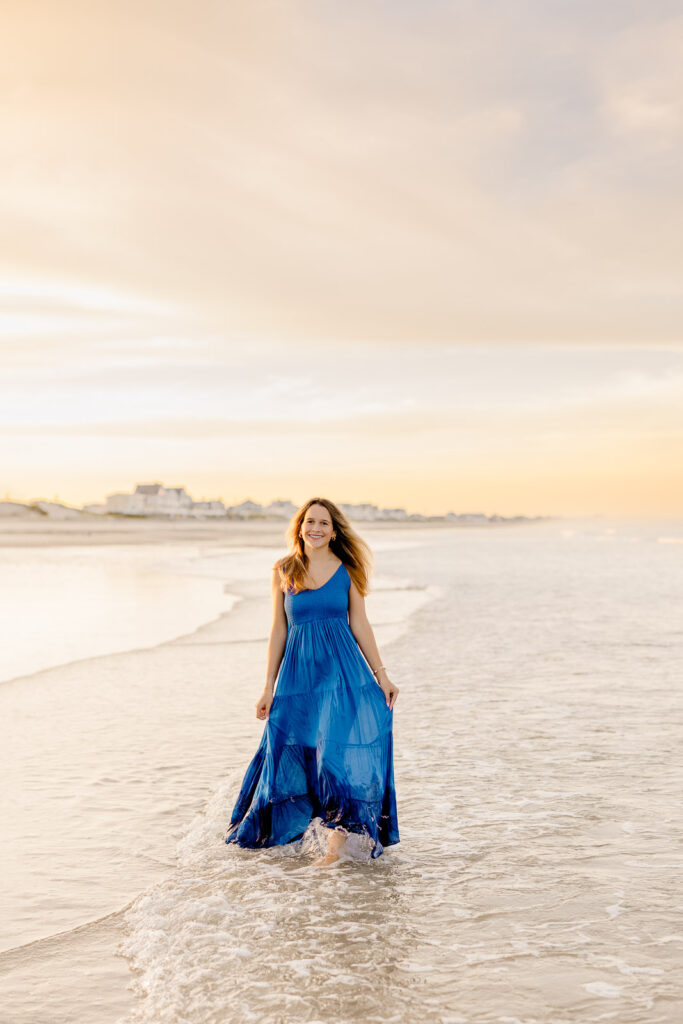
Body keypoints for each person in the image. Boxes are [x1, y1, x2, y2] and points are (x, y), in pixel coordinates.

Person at [224, 497, 400, 865]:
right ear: (300, 528)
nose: (316, 529)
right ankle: (291, 834)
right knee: (290, 751)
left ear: (334, 531)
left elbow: (360, 624)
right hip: (298, 679)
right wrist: (268, 686)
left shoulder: (347, 570)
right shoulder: (284, 570)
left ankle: (334, 849)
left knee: (336, 754)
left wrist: (381, 676)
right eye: (310, 522)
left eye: (323, 523)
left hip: (343, 676)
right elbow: (278, 629)